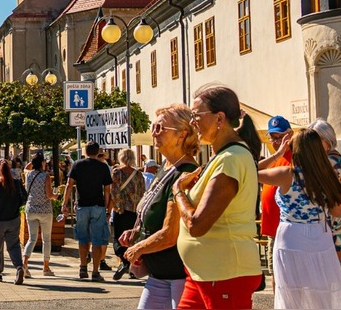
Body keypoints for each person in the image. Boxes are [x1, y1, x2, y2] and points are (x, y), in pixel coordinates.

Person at [173, 84, 263, 309]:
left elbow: (197, 225)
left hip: (225, 273)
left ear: (219, 118)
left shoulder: (231, 158)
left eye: (196, 116)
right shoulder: (222, 156)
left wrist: (178, 192)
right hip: (206, 273)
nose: (193, 122)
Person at [257, 128, 341, 309]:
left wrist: (277, 154)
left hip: (290, 236)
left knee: (292, 295)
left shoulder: (287, 174)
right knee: (321, 293)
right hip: (320, 236)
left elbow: (251, 171)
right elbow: (337, 212)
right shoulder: (329, 175)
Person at [122, 103, 201, 310]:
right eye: (153, 127)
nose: (154, 133)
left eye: (160, 128)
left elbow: (170, 233)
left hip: (179, 273)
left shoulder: (186, 172)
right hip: (159, 272)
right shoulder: (166, 168)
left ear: (182, 135)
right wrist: (137, 232)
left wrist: (138, 248)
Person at [309, 117, 341, 291]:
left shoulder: (331, 163)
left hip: (334, 232)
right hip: (338, 230)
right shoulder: (334, 159)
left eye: (315, 139)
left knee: (334, 292)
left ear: (326, 140)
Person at [60, 140, 113, 281]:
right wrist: (107, 208)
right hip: (98, 206)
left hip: (82, 206)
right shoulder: (103, 167)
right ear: (98, 152)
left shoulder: (78, 165)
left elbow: (69, 185)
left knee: (83, 238)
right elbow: (107, 190)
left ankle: (83, 267)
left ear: (85, 152)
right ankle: (95, 271)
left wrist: (64, 203)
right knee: (97, 240)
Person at [259, 115, 294, 277]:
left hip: (288, 230)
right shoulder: (273, 160)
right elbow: (251, 170)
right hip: (272, 229)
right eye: (273, 137)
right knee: (275, 276)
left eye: (280, 137)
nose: (276, 141)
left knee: (286, 278)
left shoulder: (296, 157)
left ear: (290, 135)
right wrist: (277, 155)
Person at [0, 157, 27, 283]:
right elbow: (24, 198)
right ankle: (19, 267)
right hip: (13, 219)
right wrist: (16, 206)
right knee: (14, 245)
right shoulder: (17, 183)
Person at [111, 149, 147, 280]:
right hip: (134, 211)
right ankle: (132, 269)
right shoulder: (138, 174)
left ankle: (125, 262)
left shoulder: (117, 172)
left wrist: (118, 208)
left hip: (121, 210)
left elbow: (114, 192)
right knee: (131, 240)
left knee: (117, 240)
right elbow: (143, 192)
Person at [21, 152, 54, 277]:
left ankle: (24, 264)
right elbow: (49, 195)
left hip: (31, 209)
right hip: (45, 210)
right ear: (42, 163)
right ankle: (46, 267)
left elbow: (26, 168)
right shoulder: (45, 176)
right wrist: (55, 196)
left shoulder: (28, 174)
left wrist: (34, 161)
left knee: (32, 238)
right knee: (46, 239)